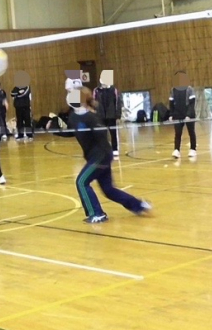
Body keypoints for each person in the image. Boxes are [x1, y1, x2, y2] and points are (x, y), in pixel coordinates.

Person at [52, 84, 151, 223]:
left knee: (81, 182)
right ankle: (139, 205)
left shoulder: (92, 117)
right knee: (108, 190)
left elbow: (102, 134)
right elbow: (71, 132)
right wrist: (52, 128)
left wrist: (95, 130)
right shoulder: (73, 117)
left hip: (101, 156)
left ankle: (97, 214)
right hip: (93, 157)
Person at [170, 71, 198, 159]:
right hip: (178, 114)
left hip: (189, 114)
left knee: (191, 132)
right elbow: (171, 103)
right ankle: (176, 150)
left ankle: (193, 149)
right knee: (178, 133)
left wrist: (188, 115)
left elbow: (192, 104)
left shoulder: (189, 89)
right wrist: (171, 115)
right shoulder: (173, 90)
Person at [94, 71, 121, 157]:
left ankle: (115, 149)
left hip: (111, 116)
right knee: (102, 134)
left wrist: (118, 116)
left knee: (113, 133)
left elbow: (118, 103)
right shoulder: (96, 91)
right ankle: (104, 150)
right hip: (100, 116)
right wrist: (94, 115)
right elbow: (93, 103)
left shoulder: (114, 90)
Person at [11, 73, 33, 141]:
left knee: (27, 121)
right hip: (18, 107)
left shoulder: (27, 87)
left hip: (26, 107)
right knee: (19, 122)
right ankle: (20, 135)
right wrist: (18, 93)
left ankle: (29, 135)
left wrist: (17, 95)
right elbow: (12, 94)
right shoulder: (15, 88)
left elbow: (25, 94)